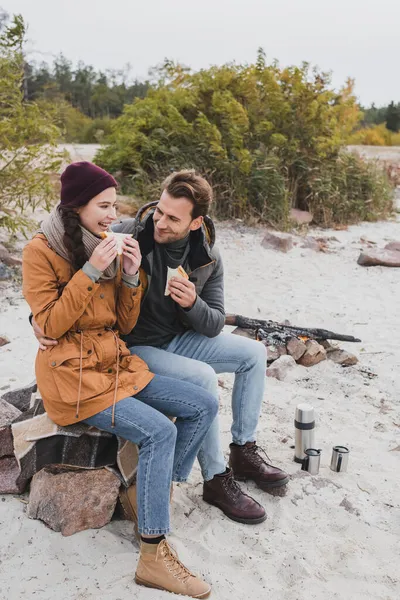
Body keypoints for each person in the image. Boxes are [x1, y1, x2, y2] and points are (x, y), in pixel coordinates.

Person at [33, 168, 289, 525]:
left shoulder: (207, 254)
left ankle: (243, 450)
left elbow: (214, 322)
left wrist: (191, 304)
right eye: (159, 211)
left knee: (254, 354)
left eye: (173, 218)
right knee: (201, 379)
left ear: (196, 222)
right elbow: (67, 268)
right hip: (138, 345)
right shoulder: (129, 234)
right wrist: (36, 321)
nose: (161, 222)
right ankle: (216, 477)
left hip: (179, 340)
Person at [23, 161, 218, 599]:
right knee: (158, 432)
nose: (114, 214)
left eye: (115, 205)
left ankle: (148, 495)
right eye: (105, 205)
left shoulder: (109, 241)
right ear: (77, 207)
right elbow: (51, 325)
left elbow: (123, 323)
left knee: (202, 404)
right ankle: (153, 554)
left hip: (115, 362)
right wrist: (91, 271)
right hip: (71, 376)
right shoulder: (42, 250)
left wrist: (130, 276)